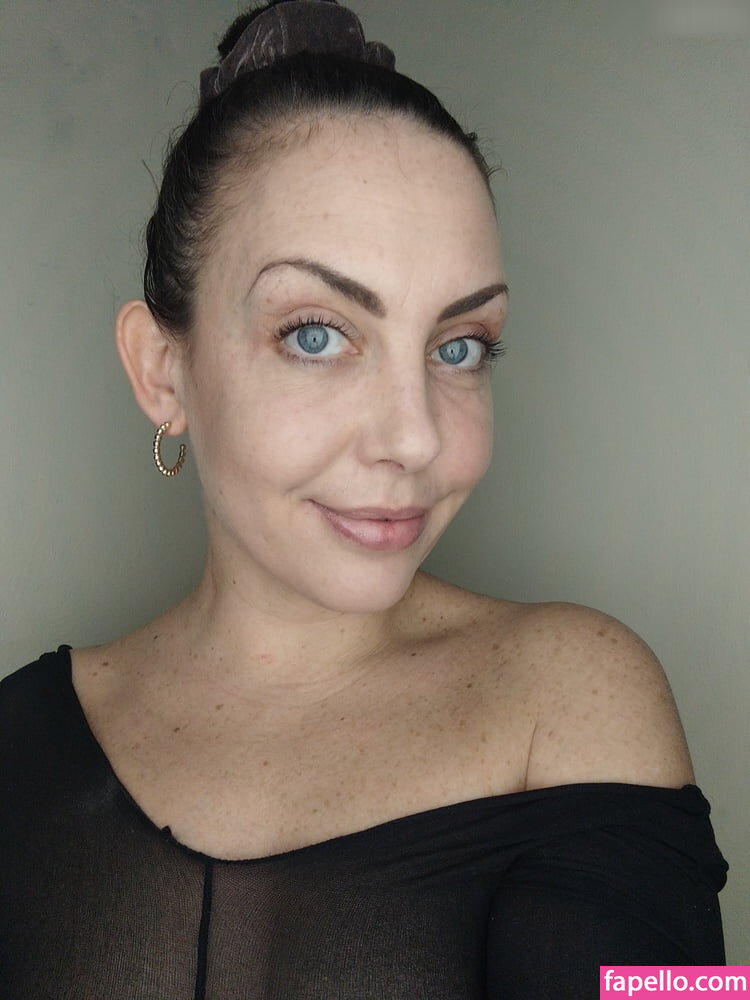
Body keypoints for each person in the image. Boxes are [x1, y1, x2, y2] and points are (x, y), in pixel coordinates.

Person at [0, 1, 727, 996]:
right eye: (317, 334)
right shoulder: (16, 749)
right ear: (162, 370)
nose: (415, 437)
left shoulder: (578, 697)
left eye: (458, 347)